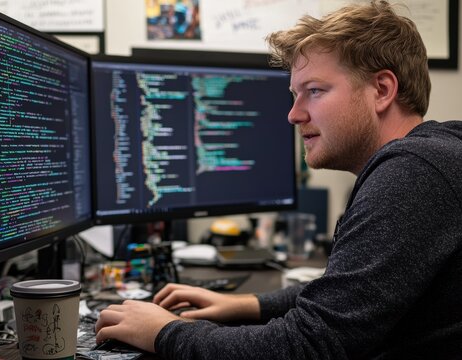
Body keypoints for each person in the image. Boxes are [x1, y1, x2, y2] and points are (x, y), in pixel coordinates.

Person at [95, 1, 462, 358]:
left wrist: (163, 332)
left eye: (314, 91)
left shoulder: (412, 174)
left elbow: (308, 345)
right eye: (294, 95)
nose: (293, 114)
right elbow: (349, 290)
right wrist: (245, 303)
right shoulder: (432, 155)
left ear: (382, 90)